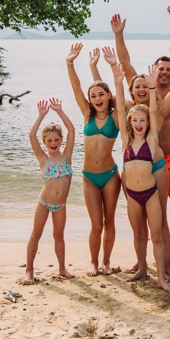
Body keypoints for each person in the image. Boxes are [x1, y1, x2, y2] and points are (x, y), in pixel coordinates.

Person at [112, 62, 170, 293]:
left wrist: (150, 89)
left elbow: (152, 111)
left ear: (148, 123)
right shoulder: (126, 141)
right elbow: (120, 109)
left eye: (143, 121)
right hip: (132, 195)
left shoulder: (151, 140)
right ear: (130, 123)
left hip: (150, 194)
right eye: (135, 121)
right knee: (138, 234)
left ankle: (161, 278)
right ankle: (141, 268)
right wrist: (118, 83)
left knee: (155, 236)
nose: (139, 124)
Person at [66, 44, 121, 276]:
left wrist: (112, 67)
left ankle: (106, 262)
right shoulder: (87, 114)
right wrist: (70, 63)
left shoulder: (117, 117)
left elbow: (119, 88)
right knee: (96, 224)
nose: (97, 98)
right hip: (89, 177)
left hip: (110, 176)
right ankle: (93, 262)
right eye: (93, 95)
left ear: (109, 96)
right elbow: (77, 87)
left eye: (101, 94)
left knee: (109, 222)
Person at [24, 98, 76, 284]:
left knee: (59, 236)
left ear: (61, 141)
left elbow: (71, 130)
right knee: (35, 235)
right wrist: (41, 116)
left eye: (56, 140)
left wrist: (60, 112)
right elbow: (31, 136)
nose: (53, 143)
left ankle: (62, 268)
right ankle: (29, 271)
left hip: (60, 205)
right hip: (44, 204)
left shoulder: (67, 157)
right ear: (45, 142)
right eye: (49, 141)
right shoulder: (43, 159)